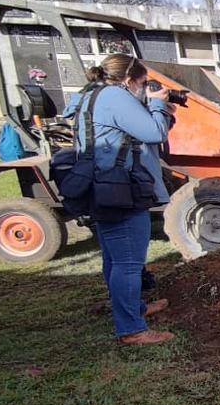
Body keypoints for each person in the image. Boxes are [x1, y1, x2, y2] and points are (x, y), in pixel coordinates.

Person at [66, 54, 176, 345]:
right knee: (128, 262)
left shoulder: (92, 94)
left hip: (100, 185)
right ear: (128, 80)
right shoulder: (116, 97)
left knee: (115, 259)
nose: (143, 89)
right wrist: (156, 105)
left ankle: (133, 310)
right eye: (141, 84)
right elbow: (154, 132)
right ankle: (132, 329)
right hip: (119, 189)